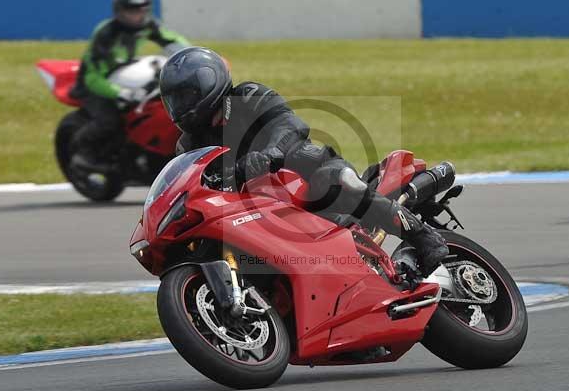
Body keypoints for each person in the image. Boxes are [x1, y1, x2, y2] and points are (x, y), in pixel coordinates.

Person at [158, 46, 450, 277]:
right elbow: (189, 180)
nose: (182, 105)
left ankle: (424, 237)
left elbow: (289, 123)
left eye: (187, 95)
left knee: (335, 180)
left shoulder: (247, 95)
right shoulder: (187, 144)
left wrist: (271, 153)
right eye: (175, 99)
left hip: (295, 171)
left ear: (210, 82)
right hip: (248, 204)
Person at [70, 0, 191, 171]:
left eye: (141, 11)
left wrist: (194, 56)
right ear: (119, 11)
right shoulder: (106, 34)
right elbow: (93, 77)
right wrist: (121, 93)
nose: (137, 16)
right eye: (131, 11)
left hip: (122, 71)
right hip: (94, 83)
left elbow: (174, 41)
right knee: (110, 120)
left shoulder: (149, 25)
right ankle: (83, 152)